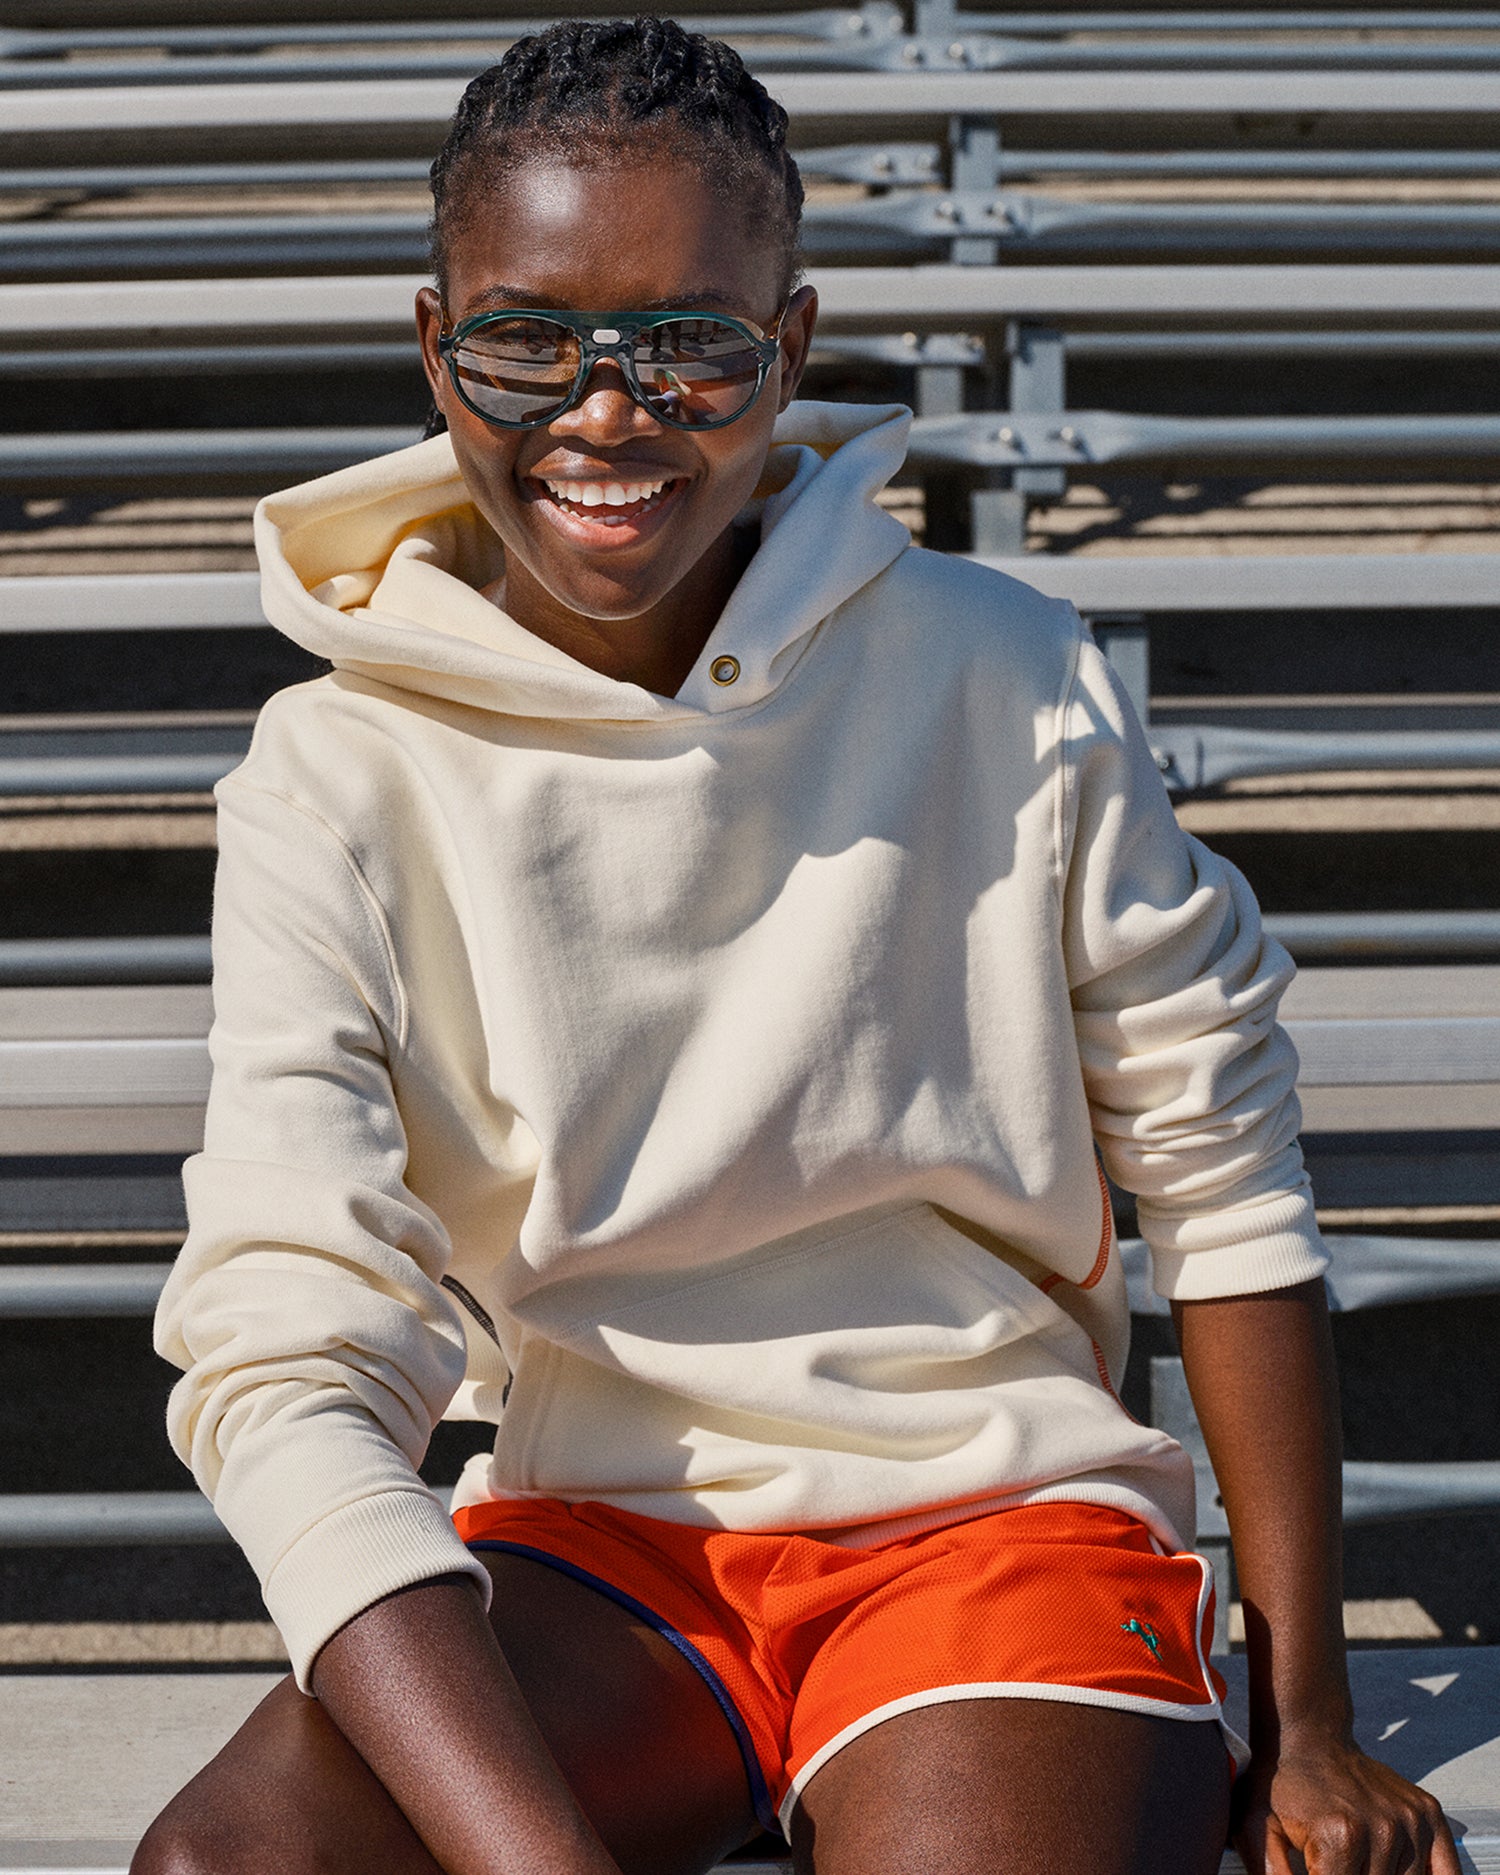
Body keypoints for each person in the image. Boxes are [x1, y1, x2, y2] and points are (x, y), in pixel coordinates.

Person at [133, 19, 1457, 1875]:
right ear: (436, 349)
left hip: (992, 1523)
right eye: (527, 342)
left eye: (692, 344)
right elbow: (286, 1345)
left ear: (794, 348)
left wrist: (1306, 1714)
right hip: (602, 1544)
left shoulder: (1004, 675)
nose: (607, 413)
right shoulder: (332, 772)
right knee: (224, 1869)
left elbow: (1221, 1178)